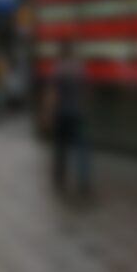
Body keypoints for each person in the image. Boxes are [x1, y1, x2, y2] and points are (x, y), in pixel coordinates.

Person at [50, 42, 92, 202]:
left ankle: (59, 177)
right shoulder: (78, 68)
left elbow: (53, 94)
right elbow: (86, 91)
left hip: (62, 113)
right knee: (82, 149)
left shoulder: (58, 69)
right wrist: (84, 107)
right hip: (78, 114)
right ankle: (84, 180)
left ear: (60, 53)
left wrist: (48, 114)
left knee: (61, 147)